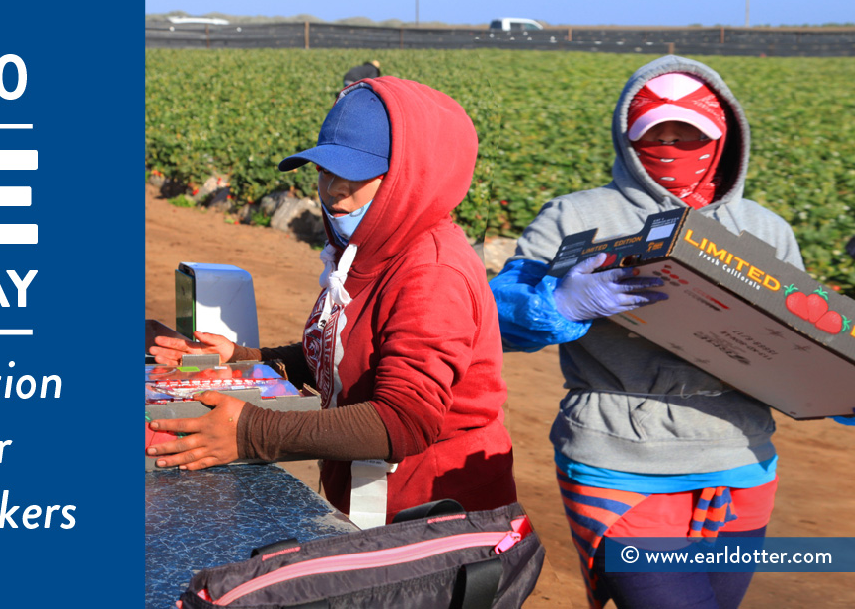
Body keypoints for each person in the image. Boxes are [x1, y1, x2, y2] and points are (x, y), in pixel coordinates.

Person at [491, 55, 804, 609]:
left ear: (724, 137)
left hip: (741, 459)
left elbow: (802, 343)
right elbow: (494, 317)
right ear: (627, 136)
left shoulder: (763, 229)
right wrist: (557, 303)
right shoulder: (575, 216)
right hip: (618, 458)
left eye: (690, 133)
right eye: (656, 132)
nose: (672, 144)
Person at [147, 77, 518, 527]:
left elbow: (404, 420)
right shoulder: (366, 251)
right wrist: (244, 360)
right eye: (324, 171)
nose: (334, 189)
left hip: (432, 522)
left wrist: (253, 432)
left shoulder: (432, 273)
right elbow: (346, 362)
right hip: (369, 502)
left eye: (355, 174)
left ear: (409, 177)